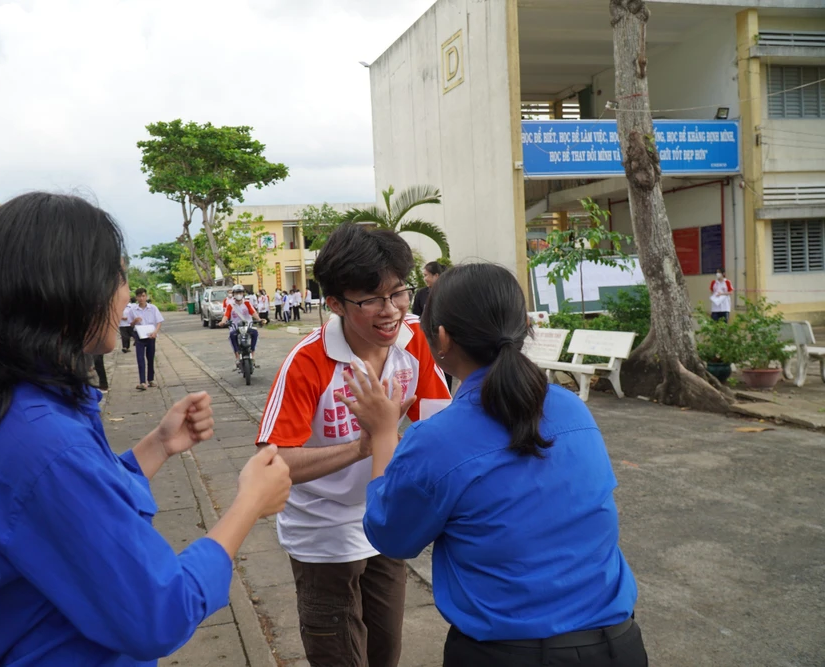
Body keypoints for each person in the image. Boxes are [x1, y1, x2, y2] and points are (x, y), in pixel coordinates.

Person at [0, 192, 293, 666]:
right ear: (68, 290)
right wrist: (249, 504)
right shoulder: (50, 443)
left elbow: (79, 512)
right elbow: (159, 613)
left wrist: (156, 447)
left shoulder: (25, 406)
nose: (127, 295)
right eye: (119, 276)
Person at [344, 262, 646, 667]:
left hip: (508, 653)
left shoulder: (437, 440)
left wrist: (383, 435)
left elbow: (391, 535)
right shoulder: (572, 409)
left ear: (442, 338)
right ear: (523, 326)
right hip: (618, 645)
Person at [257, 223, 451, 667]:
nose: (390, 311)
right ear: (335, 304)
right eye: (371, 300)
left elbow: (437, 425)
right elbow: (273, 463)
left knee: (385, 651)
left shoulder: (414, 339)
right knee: (339, 655)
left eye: (399, 293)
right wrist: (364, 446)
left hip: (384, 519)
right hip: (322, 533)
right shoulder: (308, 362)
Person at [412, 261, 453, 391]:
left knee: (446, 370)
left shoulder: (449, 292)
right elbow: (416, 315)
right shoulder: (421, 293)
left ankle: (447, 396)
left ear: (436, 275)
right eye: (423, 275)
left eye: (426, 275)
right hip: (426, 339)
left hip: (444, 338)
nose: (424, 278)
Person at [129, 288, 163, 391]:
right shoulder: (133, 309)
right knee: (140, 358)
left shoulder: (152, 308)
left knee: (150, 357)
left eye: (143, 296)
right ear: (136, 297)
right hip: (139, 335)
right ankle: (142, 382)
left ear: (146, 296)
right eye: (139, 296)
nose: (141, 298)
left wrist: (155, 332)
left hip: (150, 335)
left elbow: (159, 321)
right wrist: (135, 321)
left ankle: (151, 379)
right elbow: (130, 324)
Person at [219, 285, 260, 368]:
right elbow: (226, 315)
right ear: (233, 294)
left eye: (240, 292)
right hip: (236, 328)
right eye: (237, 292)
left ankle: (252, 355)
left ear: (243, 293)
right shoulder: (230, 305)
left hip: (247, 327)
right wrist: (223, 322)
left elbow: (253, 313)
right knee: (232, 336)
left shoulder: (247, 303)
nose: (239, 294)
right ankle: (237, 357)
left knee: (255, 333)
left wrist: (259, 319)